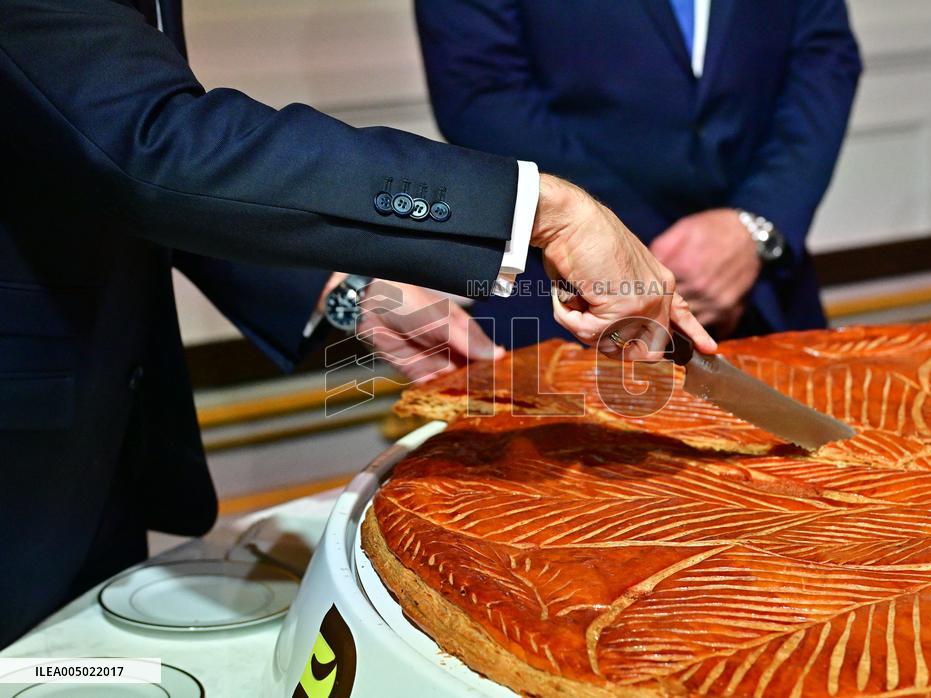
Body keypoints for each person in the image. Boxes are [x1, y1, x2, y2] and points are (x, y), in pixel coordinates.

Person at [0, 0, 715, 647]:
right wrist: (545, 211)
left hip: (84, 445)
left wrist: (342, 288)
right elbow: (148, 146)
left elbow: (76, 147)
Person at [416, 0, 862, 346]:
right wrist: (624, 239)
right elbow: (480, 94)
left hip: (760, 288)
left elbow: (825, 56)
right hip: (565, 299)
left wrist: (757, 222)